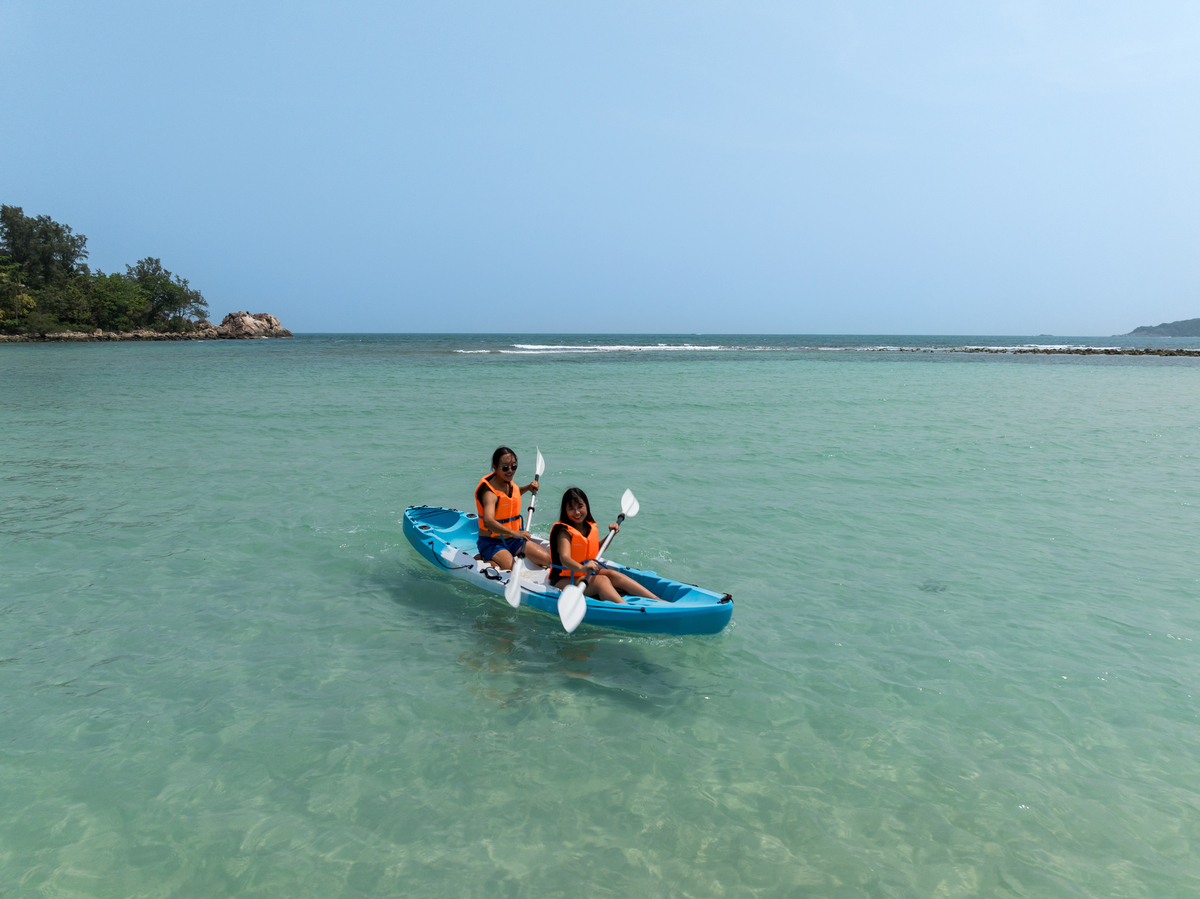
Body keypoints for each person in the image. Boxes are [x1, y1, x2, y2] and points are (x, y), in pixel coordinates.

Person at [548, 487, 660, 603]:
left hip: (584, 572)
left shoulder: (588, 526)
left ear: (586, 506)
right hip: (563, 579)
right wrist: (583, 568)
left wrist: (611, 535)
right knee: (601, 581)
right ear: (565, 511)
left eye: (580, 506)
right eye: (571, 509)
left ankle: (658, 600)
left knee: (613, 574)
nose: (577, 512)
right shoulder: (563, 531)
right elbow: (564, 558)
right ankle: (627, 609)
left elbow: (596, 550)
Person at [475, 446, 552, 571]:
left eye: (514, 466)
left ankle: (506, 554)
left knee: (546, 560)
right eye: (505, 468)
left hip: (514, 540)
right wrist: (514, 532)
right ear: (494, 467)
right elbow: (488, 522)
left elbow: (509, 497)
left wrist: (527, 488)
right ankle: (485, 558)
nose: (510, 471)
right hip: (492, 543)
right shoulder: (489, 493)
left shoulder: (508, 483)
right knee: (510, 568)